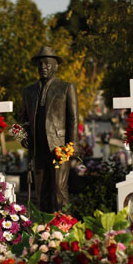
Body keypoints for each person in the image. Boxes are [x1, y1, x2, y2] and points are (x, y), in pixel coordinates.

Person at [20, 46, 78, 212]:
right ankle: (44, 229)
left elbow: (73, 118)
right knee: (41, 192)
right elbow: (23, 120)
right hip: (38, 148)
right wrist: (22, 137)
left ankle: (66, 227)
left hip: (59, 148)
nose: (43, 67)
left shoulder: (66, 88)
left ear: (55, 66)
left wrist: (72, 146)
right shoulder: (28, 91)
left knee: (59, 189)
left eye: (47, 63)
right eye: (40, 64)